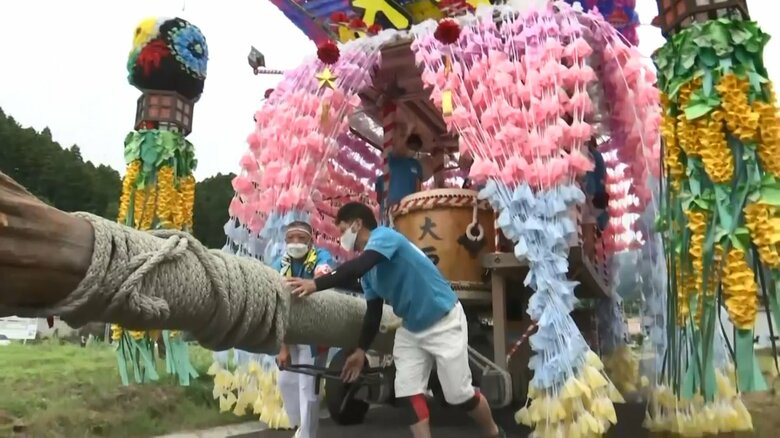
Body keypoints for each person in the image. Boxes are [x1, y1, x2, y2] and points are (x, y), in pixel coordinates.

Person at [286, 203, 505, 438]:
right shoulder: (369, 272)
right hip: (411, 329)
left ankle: (494, 432)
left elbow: (358, 266)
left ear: (357, 224)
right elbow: (373, 312)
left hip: (444, 320)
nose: (341, 237)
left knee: (458, 394)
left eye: (342, 230)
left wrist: (316, 284)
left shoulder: (385, 237)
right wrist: (361, 351)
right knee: (407, 390)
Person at [271, 221, 334, 438]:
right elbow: (275, 304)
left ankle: (307, 434)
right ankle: (300, 428)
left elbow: (324, 275)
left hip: (314, 334)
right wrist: (282, 347)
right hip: (287, 331)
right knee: (286, 382)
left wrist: (314, 282)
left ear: (311, 240)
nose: (296, 243)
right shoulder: (278, 264)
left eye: (301, 238)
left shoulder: (322, 257)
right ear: (285, 241)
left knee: (308, 388)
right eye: (291, 238)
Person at [375, 133, 425, 220]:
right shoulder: (394, 158)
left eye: (416, 149)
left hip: (407, 205)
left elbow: (418, 187)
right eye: (412, 147)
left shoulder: (416, 165)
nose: (413, 151)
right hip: (389, 204)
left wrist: (415, 204)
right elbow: (379, 198)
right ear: (407, 145)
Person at [583, 139, 609, 233]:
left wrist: (590, 193)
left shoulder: (592, 156)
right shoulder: (597, 156)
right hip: (599, 193)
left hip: (595, 195)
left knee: (591, 220)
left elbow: (590, 175)